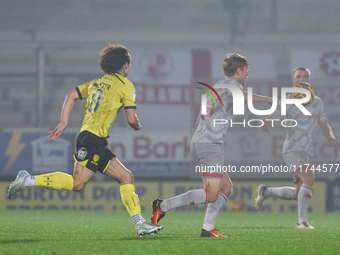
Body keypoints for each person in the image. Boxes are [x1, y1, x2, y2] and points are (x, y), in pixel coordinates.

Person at [7, 44, 163, 237]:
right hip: (93, 139)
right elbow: (131, 119)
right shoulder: (126, 85)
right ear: (125, 65)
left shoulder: (97, 82)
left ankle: (140, 224)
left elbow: (71, 95)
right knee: (77, 184)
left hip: (90, 138)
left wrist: (63, 122)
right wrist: (137, 125)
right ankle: (27, 180)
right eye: (128, 62)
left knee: (126, 177)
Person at [151, 53, 274, 238]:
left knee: (226, 187)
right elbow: (242, 97)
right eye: (246, 71)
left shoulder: (217, 86)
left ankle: (207, 228)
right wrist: (269, 100)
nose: (248, 74)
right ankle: (163, 206)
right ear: (238, 70)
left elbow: (196, 120)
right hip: (209, 144)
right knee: (211, 194)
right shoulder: (233, 85)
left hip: (204, 141)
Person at [254, 67, 337, 229]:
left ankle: (266, 192)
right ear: (293, 81)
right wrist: (267, 120)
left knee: (298, 193)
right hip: (292, 149)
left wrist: (330, 137)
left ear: (309, 80)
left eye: (305, 77)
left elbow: (324, 125)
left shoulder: (317, 102)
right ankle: (302, 222)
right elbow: (273, 115)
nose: (302, 79)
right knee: (310, 178)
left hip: (305, 151)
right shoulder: (288, 100)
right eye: (298, 76)